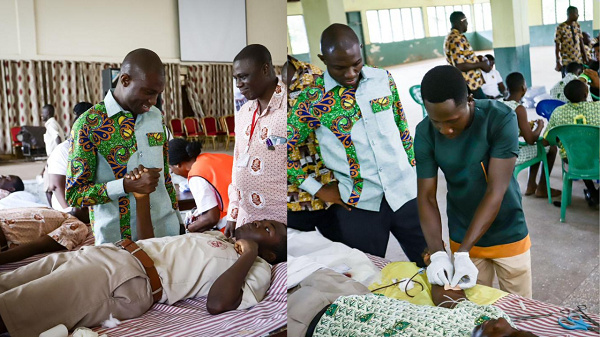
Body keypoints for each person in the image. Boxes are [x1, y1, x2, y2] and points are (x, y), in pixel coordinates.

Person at [0, 168, 287, 337]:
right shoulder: (216, 237)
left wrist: (249, 254)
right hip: (108, 254)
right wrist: (141, 200)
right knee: (10, 284)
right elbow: (154, 243)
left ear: (271, 254)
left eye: (269, 229)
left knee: (16, 308)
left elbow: (217, 304)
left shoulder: (257, 267)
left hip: (125, 280)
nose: (261, 221)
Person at [288, 23, 427, 263]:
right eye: (339, 67)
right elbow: (281, 149)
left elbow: (402, 128)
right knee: (367, 273)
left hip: (405, 192)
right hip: (359, 204)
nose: (351, 73)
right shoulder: (312, 99)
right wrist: (318, 189)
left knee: (431, 260)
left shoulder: (383, 79)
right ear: (323, 59)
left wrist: (415, 170)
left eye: (356, 63)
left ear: (361, 50)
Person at [415, 65, 532, 298]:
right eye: (436, 121)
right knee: (475, 313)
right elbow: (427, 196)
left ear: (470, 99)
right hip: (462, 231)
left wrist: (462, 253)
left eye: (452, 120)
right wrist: (438, 253)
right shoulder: (425, 132)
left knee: (519, 310)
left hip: (507, 232)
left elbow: (495, 192)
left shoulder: (500, 119)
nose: (445, 130)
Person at [66, 48, 183, 244]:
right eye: (148, 92)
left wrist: (179, 221)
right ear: (125, 80)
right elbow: (75, 194)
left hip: (167, 233)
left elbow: (165, 178)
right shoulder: (89, 125)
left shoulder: (155, 117)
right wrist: (125, 185)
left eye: (158, 94)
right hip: (119, 242)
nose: (153, 101)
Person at [225, 44, 287, 237]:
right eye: (236, 78)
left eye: (243, 77)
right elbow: (237, 164)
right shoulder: (244, 112)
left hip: (277, 228)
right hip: (246, 221)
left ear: (265, 69)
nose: (238, 84)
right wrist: (232, 214)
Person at [285, 55, 336, 231]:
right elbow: (271, 150)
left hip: (330, 191)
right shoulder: (257, 91)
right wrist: (318, 190)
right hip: (292, 201)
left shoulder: (316, 78)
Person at [501, 72, 559, 198]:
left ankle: (531, 185)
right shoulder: (519, 109)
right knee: (550, 148)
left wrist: (524, 128)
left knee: (538, 146)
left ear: (507, 88)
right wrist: (540, 127)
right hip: (512, 155)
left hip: (498, 151)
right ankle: (542, 187)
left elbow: (506, 129)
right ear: (523, 88)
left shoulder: (499, 103)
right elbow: (531, 140)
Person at [544, 80, 600, 208]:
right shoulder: (598, 108)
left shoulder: (558, 112)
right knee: (590, 153)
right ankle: (596, 194)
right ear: (586, 94)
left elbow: (547, 141)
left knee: (578, 153)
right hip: (597, 158)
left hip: (571, 160)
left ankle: (593, 193)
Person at [168, 138, 233, 232]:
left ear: (178, 165)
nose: (173, 172)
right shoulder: (211, 157)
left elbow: (211, 218)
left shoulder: (196, 175)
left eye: (171, 169)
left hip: (237, 224)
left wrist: (189, 229)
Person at [46, 102, 93, 214]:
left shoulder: (94, 148)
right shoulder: (62, 150)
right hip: (68, 209)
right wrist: (70, 212)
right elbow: (56, 186)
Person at [0, 207, 90, 265]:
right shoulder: (51, 209)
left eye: (93, 207)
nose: (87, 204)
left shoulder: (79, 226)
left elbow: (38, 246)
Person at [444, 11, 491, 99]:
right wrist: (481, 64)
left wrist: (476, 59)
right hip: (469, 83)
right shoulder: (456, 39)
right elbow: (460, 65)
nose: (467, 23)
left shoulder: (453, 37)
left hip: (469, 83)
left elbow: (462, 58)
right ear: (461, 21)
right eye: (466, 21)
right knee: (483, 107)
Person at [554, 6, 588, 77]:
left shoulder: (577, 26)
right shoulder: (560, 27)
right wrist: (558, 61)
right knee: (567, 81)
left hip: (578, 60)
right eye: (576, 13)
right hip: (567, 62)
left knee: (579, 80)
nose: (578, 15)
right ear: (570, 14)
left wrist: (585, 57)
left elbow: (581, 42)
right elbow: (557, 45)